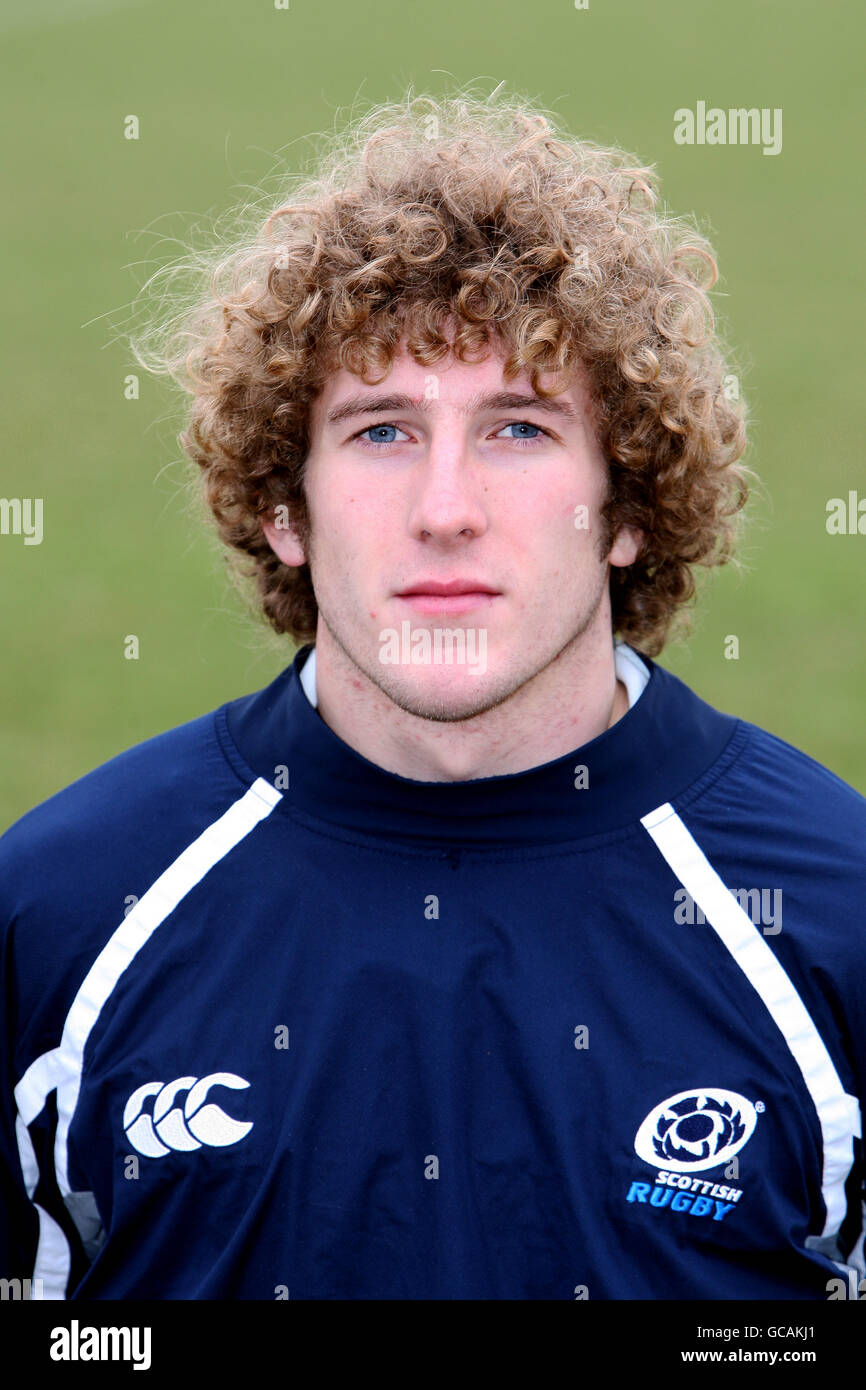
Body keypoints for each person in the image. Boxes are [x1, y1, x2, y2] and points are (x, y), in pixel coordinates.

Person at [1, 89, 864, 1302]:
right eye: (379, 432)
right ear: (283, 510)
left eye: (515, 429)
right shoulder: (60, 914)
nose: (443, 507)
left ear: (622, 507)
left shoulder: (833, 915)